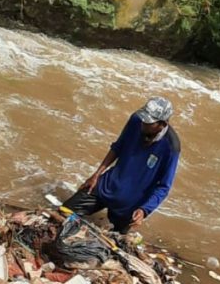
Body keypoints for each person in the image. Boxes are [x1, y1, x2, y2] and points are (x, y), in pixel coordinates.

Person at [63, 96, 180, 233]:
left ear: (162, 124)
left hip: (129, 206)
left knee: (115, 240)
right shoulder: (136, 120)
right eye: (143, 120)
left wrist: (144, 210)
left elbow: (164, 187)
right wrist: (96, 175)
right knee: (65, 212)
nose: (143, 124)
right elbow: (117, 147)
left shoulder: (171, 147)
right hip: (106, 186)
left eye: (149, 123)